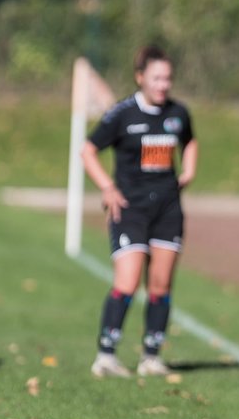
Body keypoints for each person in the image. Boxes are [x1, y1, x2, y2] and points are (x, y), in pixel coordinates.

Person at [81, 45, 197, 378]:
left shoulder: (178, 113)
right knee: (128, 283)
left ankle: (151, 356)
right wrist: (107, 187)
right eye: (157, 78)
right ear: (140, 77)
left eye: (168, 78)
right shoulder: (122, 114)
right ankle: (106, 355)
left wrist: (188, 169)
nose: (163, 84)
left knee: (160, 286)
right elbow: (88, 151)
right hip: (129, 210)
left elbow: (190, 140)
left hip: (167, 209)